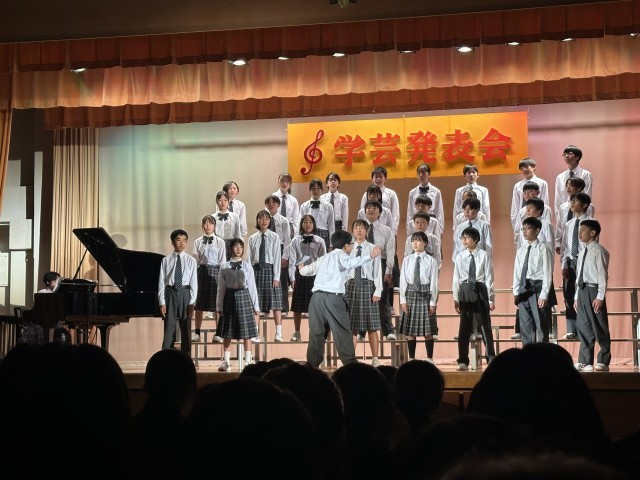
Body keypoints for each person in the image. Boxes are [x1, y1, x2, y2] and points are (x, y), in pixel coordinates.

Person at [298, 229, 381, 367]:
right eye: (351, 244)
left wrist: (301, 268)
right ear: (345, 246)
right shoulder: (342, 256)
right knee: (342, 333)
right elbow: (351, 263)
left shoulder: (324, 257)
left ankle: (311, 367)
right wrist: (370, 256)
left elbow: (307, 271)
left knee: (316, 334)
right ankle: (350, 367)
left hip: (316, 299)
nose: (352, 246)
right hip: (333, 299)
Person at [452, 226, 496, 371]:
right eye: (462, 237)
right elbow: (456, 278)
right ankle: (463, 360)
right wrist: (456, 297)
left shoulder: (484, 255)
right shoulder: (460, 256)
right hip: (465, 289)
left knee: (485, 325)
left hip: (480, 288)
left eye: (467, 237)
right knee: (464, 327)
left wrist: (491, 298)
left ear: (476, 239)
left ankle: (490, 357)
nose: (464, 240)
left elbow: (489, 277)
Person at [216, 238, 260, 371]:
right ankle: (226, 362)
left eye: (241, 246)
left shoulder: (247, 266)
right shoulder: (224, 266)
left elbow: (252, 286)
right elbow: (221, 288)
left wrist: (256, 306)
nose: (239, 249)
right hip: (229, 297)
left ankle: (248, 361)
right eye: (236, 246)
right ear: (231, 249)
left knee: (246, 331)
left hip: (244, 297)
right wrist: (219, 306)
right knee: (227, 331)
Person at [573, 220, 611, 372]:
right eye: (579, 230)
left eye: (583, 230)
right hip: (582, 290)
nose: (580, 233)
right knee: (583, 326)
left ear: (593, 233)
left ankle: (603, 359)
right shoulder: (582, 252)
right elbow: (578, 277)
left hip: (594, 290)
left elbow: (602, 274)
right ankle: (585, 361)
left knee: (599, 325)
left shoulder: (599, 251)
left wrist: (600, 296)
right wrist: (576, 296)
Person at [283, 214, 326, 342]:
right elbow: (292, 261)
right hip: (300, 274)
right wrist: (292, 278)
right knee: (297, 306)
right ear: (301, 224)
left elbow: (323, 261)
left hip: (314, 275)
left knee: (315, 307)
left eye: (310, 222)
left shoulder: (320, 241)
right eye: (305, 222)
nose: (308, 224)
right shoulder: (295, 241)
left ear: (314, 224)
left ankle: (314, 333)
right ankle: (297, 332)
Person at [346, 219, 383, 366]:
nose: (359, 230)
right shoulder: (348, 248)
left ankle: (375, 358)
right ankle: (350, 360)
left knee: (372, 326)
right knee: (351, 327)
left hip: (368, 286)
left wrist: (378, 290)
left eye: (362, 227)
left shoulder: (373, 248)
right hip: (351, 286)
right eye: (356, 228)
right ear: (353, 231)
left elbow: (377, 271)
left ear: (366, 231)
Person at [399, 231, 439, 362]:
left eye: (418, 240)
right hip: (410, 293)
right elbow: (403, 280)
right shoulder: (407, 259)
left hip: (425, 294)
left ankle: (430, 358)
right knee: (410, 331)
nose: (415, 243)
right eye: (413, 241)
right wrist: (403, 300)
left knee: (428, 331)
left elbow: (434, 282)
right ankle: (411, 358)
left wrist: (432, 302)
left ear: (425, 243)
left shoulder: (432, 261)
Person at [512, 217, 553, 345]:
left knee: (541, 324)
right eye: (523, 229)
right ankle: (527, 353)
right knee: (525, 324)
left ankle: (541, 354)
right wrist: (516, 291)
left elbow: (547, 273)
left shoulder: (543, 249)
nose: (524, 231)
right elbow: (517, 272)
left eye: (528, 228)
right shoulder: (521, 250)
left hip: (537, 287)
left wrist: (544, 294)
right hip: (524, 288)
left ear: (537, 231)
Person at [559, 192, 594, 340]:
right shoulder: (569, 224)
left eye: (575, 201)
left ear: (585, 204)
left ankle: (584, 328)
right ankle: (571, 329)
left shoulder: (591, 222)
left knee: (582, 295)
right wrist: (564, 264)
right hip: (571, 261)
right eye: (571, 201)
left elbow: (592, 245)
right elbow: (565, 246)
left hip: (584, 260)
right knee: (568, 294)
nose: (572, 203)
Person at [158, 229, 198, 355]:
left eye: (184, 240)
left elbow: (194, 283)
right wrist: (162, 302)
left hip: (185, 292)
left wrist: (192, 303)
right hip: (170, 292)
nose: (181, 243)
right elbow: (161, 282)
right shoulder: (166, 260)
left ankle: (186, 355)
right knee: (169, 326)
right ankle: (166, 355)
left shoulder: (191, 260)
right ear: (172, 242)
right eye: (178, 240)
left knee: (185, 326)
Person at [362, 200, 397, 340]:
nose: (371, 210)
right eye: (368, 208)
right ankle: (361, 331)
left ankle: (388, 331)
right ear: (364, 212)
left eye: (374, 208)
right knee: (363, 297)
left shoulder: (386, 230)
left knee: (382, 297)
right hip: (364, 263)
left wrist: (388, 270)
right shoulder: (360, 229)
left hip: (380, 263)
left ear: (380, 212)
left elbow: (390, 251)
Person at [247, 210, 283, 341]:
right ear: (257, 220)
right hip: (256, 271)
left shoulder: (274, 237)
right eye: (261, 218)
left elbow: (277, 257)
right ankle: (255, 333)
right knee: (255, 304)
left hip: (270, 270)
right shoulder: (252, 238)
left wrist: (276, 277)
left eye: (267, 218)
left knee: (276, 303)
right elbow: (249, 259)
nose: (264, 221)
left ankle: (278, 333)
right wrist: (249, 277)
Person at [191, 214, 226, 343]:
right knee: (199, 305)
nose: (208, 226)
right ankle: (197, 333)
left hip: (215, 272)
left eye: (210, 223)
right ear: (202, 226)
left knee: (217, 304)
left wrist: (223, 278)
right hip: (201, 271)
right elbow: (195, 260)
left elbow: (222, 261)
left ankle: (218, 333)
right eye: (205, 223)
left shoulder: (220, 242)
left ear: (214, 226)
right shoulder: (197, 241)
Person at [264, 194, 292, 319]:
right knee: (267, 279)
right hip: (267, 249)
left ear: (278, 205)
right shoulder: (263, 219)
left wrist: (285, 256)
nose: (271, 204)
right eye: (268, 202)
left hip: (280, 248)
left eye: (274, 202)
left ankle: (284, 308)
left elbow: (287, 241)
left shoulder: (283, 220)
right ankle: (265, 308)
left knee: (282, 280)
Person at [554, 176, 596, 254]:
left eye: (571, 185)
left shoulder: (589, 206)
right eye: (567, 185)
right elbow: (560, 225)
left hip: (582, 240)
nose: (568, 187)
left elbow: (589, 225)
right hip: (567, 239)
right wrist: (558, 242)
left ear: (579, 188)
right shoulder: (563, 207)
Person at [509, 157, 549, 232]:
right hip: (522, 217)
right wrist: (515, 225)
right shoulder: (517, 186)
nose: (524, 169)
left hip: (538, 217)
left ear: (534, 167)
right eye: (522, 168)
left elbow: (544, 202)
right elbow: (515, 205)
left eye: (526, 167)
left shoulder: (542, 183)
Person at [554, 144, 593, 218]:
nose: (566, 156)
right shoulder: (560, 177)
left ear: (577, 157)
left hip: (580, 212)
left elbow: (587, 196)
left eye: (570, 153)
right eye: (564, 154)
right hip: (564, 212)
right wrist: (558, 216)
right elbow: (558, 199)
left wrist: (586, 216)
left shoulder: (585, 174)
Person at [359, 166, 400, 235]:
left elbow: (395, 214)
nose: (378, 179)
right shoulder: (366, 194)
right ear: (372, 179)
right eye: (376, 177)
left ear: (385, 179)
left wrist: (394, 231)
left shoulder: (391, 194)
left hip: (386, 228)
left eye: (380, 177)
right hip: (369, 230)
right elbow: (363, 213)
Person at [452, 197, 493, 262]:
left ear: (477, 210)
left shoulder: (484, 226)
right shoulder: (460, 227)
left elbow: (488, 246)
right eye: (464, 209)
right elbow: (457, 246)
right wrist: (455, 260)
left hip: (479, 260)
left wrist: (487, 261)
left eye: (470, 209)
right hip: (463, 260)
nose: (466, 212)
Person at [299, 177, 335, 251]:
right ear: (310, 190)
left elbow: (331, 226)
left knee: (323, 257)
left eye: (318, 188)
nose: (316, 191)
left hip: (324, 235)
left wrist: (331, 244)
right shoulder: (304, 206)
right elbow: (300, 224)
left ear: (322, 190)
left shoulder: (328, 206)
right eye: (313, 189)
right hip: (308, 234)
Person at [213, 190, 242, 260]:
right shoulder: (213, 217)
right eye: (220, 200)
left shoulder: (235, 216)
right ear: (217, 201)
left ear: (228, 201)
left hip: (231, 244)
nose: (223, 202)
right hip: (217, 244)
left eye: (225, 200)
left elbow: (238, 234)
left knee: (230, 264)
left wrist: (237, 247)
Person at [273, 172, 300, 238]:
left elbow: (296, 220)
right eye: (282, 181)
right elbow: (267, 215)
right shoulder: (272, 198)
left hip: (289, 228)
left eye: (287, 181)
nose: (284, 184)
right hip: (275, 226)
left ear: (290, 184)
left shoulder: (293, 200)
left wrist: (296, 235)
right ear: (278, 181)